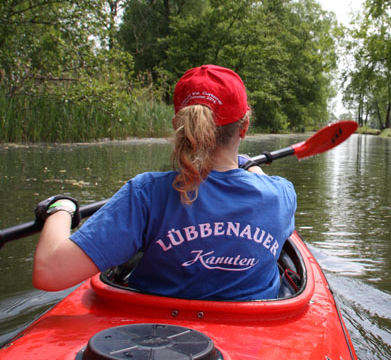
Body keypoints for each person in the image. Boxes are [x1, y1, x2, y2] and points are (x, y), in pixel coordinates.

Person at [32, 65, 297, 300]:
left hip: (151, 336)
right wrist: (248, 167)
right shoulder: (281, 195)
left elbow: (50, 272)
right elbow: (263, 183)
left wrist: (62, 208)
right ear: (244, 126)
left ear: (178, 125)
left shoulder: (146, 193)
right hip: (253, 332)